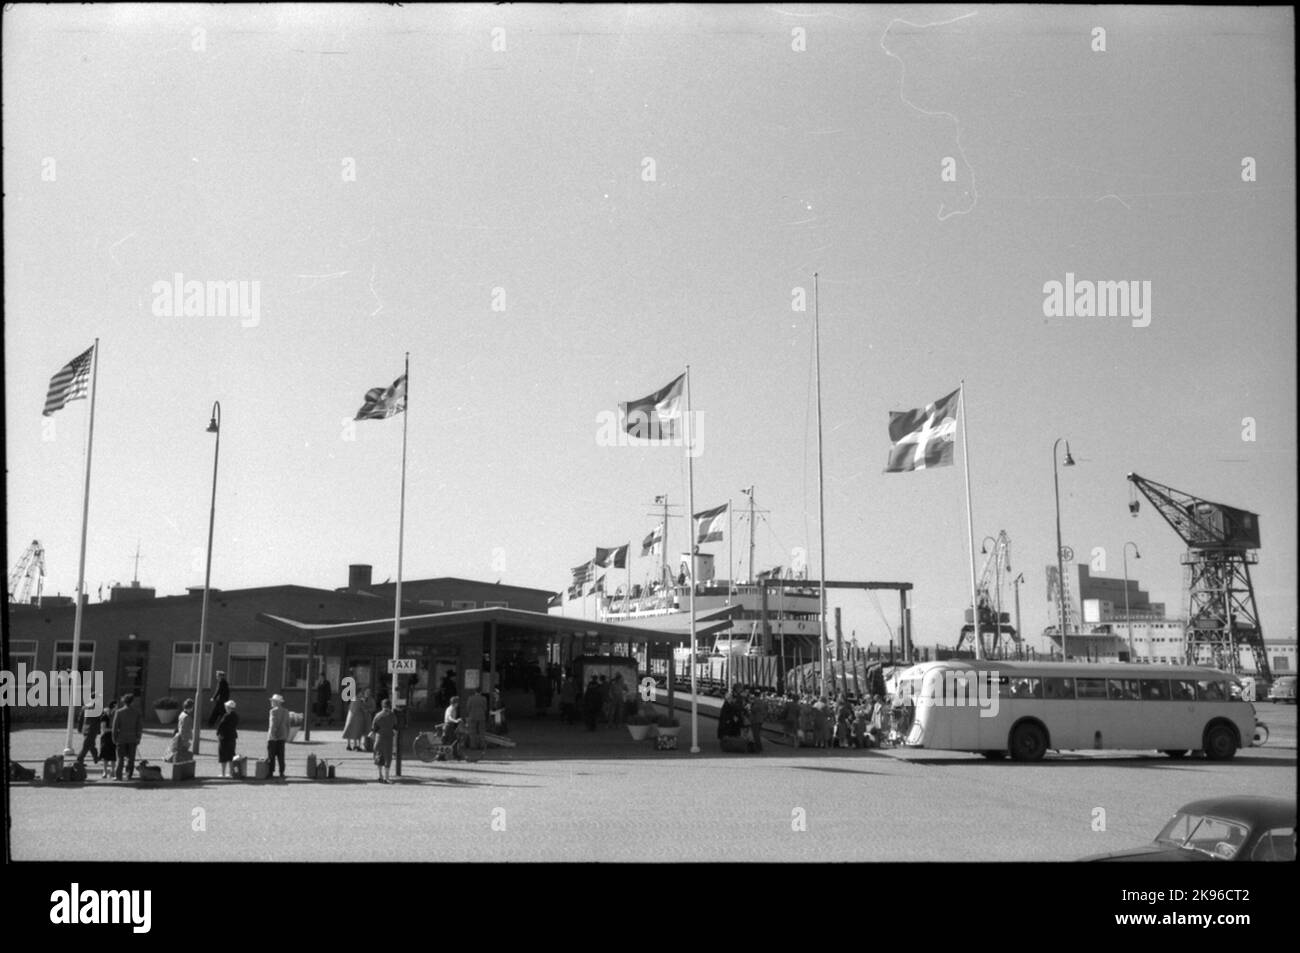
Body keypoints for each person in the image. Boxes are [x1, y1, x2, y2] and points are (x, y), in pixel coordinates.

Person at [112, 693, 143, 780]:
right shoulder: (137, 712)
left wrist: (114, 738)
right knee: (131, 759)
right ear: (132, 702)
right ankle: (129, 775)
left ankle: (119, 776)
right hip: (132, 738)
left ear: (124, 702)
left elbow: (115, 727)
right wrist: (138, 737)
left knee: (120, 758)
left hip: (121, 738)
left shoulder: (119, 712)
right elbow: (139, 727)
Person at [371, 698, 396, 783]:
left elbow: (374, 728)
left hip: (378, 739)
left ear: (382, 706)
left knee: (379, 756)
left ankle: (380, 776)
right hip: (388, 739)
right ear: (390, 706)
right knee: (387, 758)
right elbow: (395, 728)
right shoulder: (392, 715)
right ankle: (387, 778)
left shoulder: (377, 715)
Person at [266, 693, 290, 780]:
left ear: (277, 702)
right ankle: (281, 772)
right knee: (281, 756)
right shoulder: (286, 711)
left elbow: (272, 724)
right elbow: (288, 725)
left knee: (271, 756)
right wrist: (286, 735)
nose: (271, 702)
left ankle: (271, 772)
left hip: (273, 737)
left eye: (273, 701)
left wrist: (273, 735)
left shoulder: (272, 711)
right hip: (282, 736)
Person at [216, 700, 239, 777]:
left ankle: (223, 773)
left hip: (224, 738)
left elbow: (221, 726)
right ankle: (231, 772)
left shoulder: (226, 716)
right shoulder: (236, 716)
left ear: (229, 707)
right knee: (231, 755)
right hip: (232, 737)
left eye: (226, 707)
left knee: (223, 756)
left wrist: (217, 733)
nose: (225, 708)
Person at [75, 698, 100, 765]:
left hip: (85, 729)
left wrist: (79, 728)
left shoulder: (84, 707)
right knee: (86, 746)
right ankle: (79, 760)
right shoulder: (97, 708)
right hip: (92, 729)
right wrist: (100, 730)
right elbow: (99, 720)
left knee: (90, 744)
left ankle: (96, 758)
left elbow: (80, 719)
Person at [98, 699, 118, 779]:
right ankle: (105, 771)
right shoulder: (105, 716)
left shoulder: (116, 715)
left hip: (113, 737)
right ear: (113, 706)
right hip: (106, 737)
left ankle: (113, 771)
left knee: (113, 756)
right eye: (116, 706)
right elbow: (103, 729)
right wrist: (114, 729)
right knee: (105, 756)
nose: (117, 708)